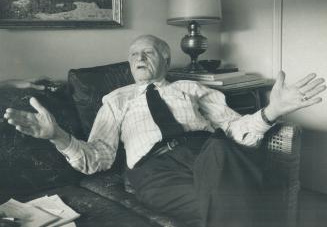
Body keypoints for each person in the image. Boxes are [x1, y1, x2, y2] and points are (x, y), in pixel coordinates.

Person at [3, 35, 326, 227]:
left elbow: (235, 128)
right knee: (268, 205)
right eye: (133, 54)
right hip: (154, 171)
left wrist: (272, 110)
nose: (139, 58)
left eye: (148, 52)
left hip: (211, 156)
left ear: (166, 58)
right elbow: (97, 159)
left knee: (221, 148)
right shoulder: (115, 99)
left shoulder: (191, 88)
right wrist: (58, 136)